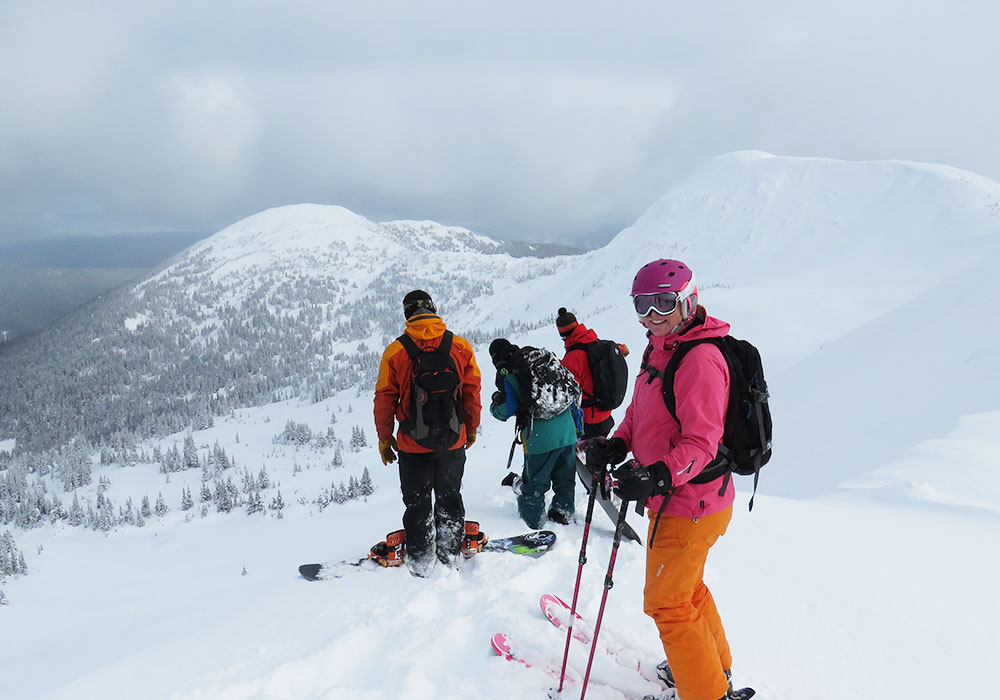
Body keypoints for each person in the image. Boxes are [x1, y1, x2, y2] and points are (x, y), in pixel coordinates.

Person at [587, 259, 744, 700]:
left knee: (667, 603)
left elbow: (701, 443)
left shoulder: (700, 359)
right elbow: (641, 411)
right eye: (643, 305)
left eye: (663, 303)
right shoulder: (661, 347)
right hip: (688, 501)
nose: (652, 315)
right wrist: (618, 444)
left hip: (690, 503)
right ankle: (713, 671)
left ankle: (706, 693)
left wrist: (657, 476)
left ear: (688, 300)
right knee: (686, 591)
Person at [374, 290, 482, 577]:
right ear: (433, 310)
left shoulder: (395, 352)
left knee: (418, 502)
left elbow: (384, 397)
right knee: (449, 497)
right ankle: (450, 554)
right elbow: (472, 392)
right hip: (452, 441)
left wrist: (385, 437)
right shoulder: (459, 346)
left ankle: (421, 560)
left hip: (412, 445)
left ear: (408, 314)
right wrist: (470, 428)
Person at [488, 338, 579, 528]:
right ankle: (564, 512)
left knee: (535, 482)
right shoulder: (536, 358)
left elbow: (507, 408)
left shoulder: (509, 371)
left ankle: (533, 521)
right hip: (568, 430)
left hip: (540, 437)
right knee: (565, 478)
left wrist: (494, 407)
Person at [555, 307, 630, 439]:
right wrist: (622, 349)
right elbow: (618, 349)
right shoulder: (596, 342)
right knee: (599, 454)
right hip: (605, 414)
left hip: (589, 420)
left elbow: (564, 390)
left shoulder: (573, 358)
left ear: (563, 335)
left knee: (586, 458)